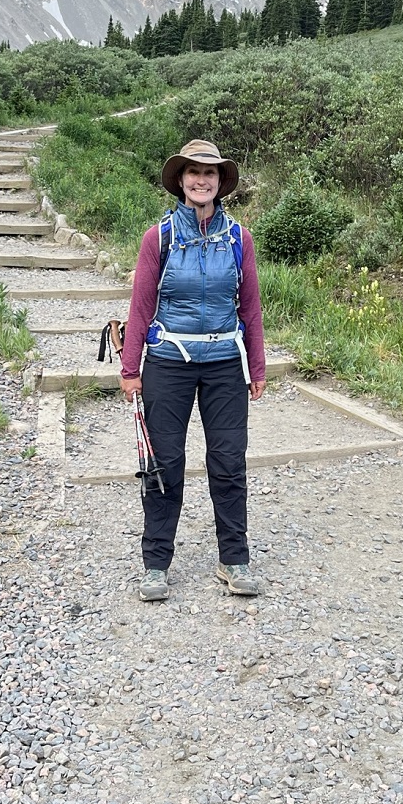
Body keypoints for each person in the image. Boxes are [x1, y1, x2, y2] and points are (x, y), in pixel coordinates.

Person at [119, 139, 267, 602]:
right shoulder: (158, 237)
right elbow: (141, 307)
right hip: (168, 363)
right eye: (193, 173)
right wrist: (130, 368)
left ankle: (234, 559)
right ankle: (156, 565)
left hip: (225, 362)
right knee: (164, 464)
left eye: (210, 173)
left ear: (221, 183)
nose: (201, 180)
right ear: (180, 180)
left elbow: (251, 308)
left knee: (228, 462)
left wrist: (256, 366)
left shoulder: (239, 238)